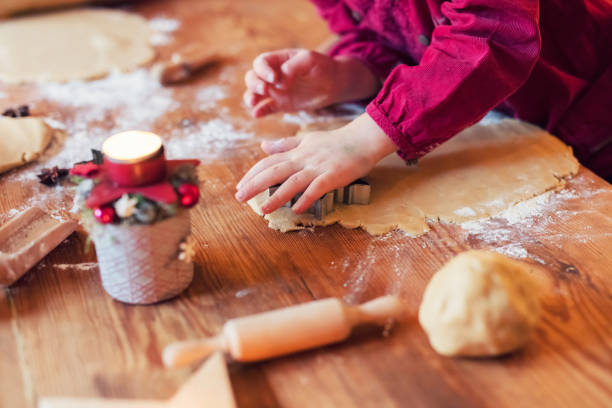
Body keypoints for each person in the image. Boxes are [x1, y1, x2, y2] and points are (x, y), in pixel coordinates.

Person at [235, 0, 612, 213]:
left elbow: (492, 32)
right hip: (511, 129)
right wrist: (347, 76)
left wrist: (362, 139)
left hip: (596, 120)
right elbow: (395, 36)